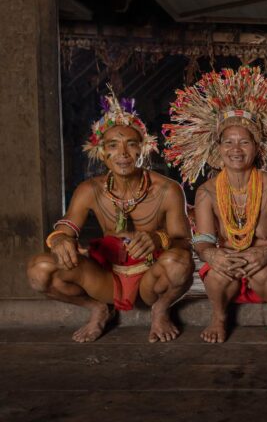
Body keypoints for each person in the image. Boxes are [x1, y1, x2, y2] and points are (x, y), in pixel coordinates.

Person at [27, 91, 193, 343]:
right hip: (106, 278)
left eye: (131, 144)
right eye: (113, 146)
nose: (123, 153)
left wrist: (159, 239)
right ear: (101, 153)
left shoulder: (168, 190)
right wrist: (59, 239)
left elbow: (185, 243)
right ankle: (97, 309)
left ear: (144, 148)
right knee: (40, 270)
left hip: (152, 277)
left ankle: (161, 309)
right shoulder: (89, 189)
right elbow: (67, 226)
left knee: (179, 263)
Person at [164, 66, 267, 343]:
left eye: (244, 142)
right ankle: (219, 316)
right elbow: (202, 241)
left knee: (265, 272)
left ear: (257, 147)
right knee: (215, 276)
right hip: (226, 260)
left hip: (263, 262)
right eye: (228, 142)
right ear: (218, 148)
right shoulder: (207, 192)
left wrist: (266, 252)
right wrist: (213, 256)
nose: (236, 150)